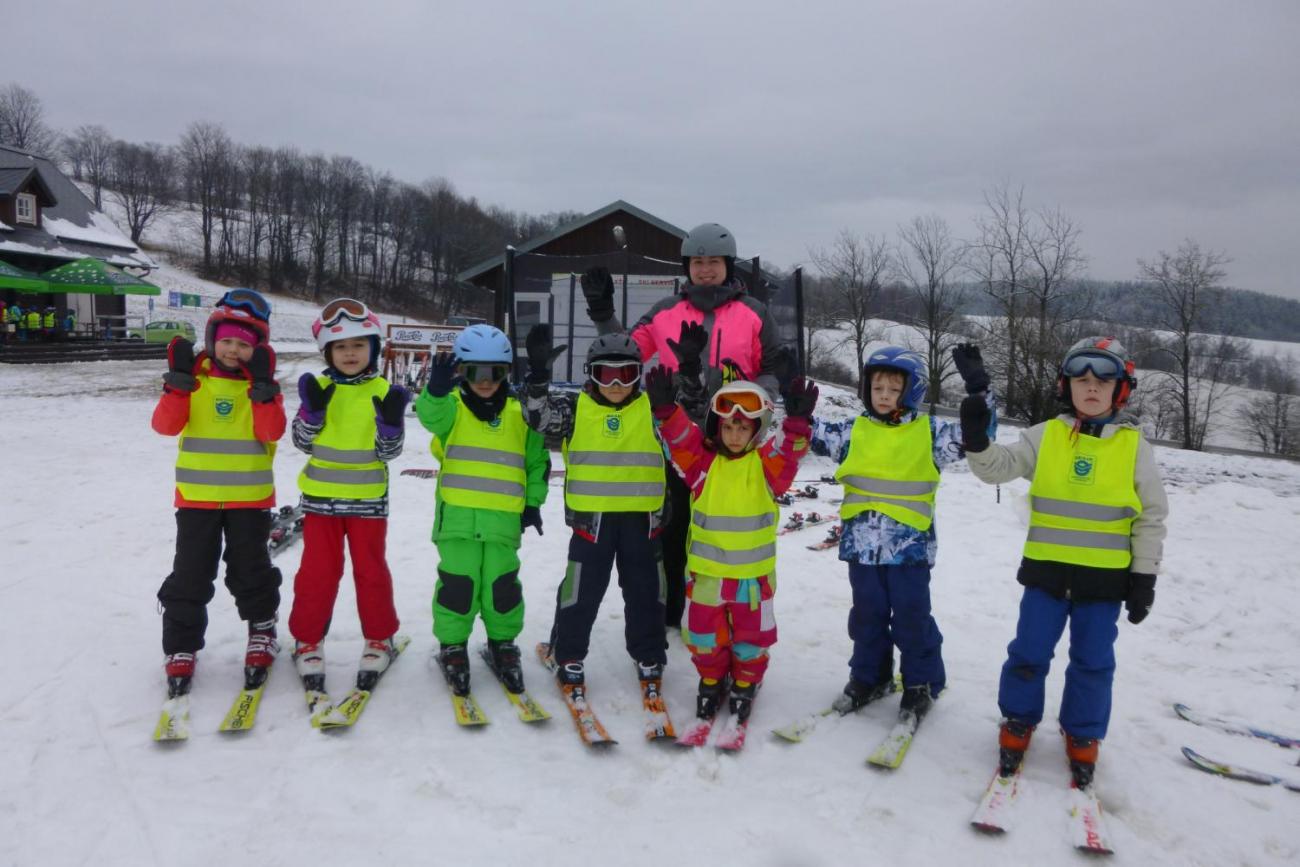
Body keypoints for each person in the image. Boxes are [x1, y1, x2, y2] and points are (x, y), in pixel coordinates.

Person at [960, 336, 1167, 788]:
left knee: (1093, 661)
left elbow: (1151, 516)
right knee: (1028, 653)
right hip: (1046, 576)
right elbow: (998, 467)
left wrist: (1144, 577)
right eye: (1081, 380)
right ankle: (1018, 719)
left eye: (1102, 381)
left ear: (1120, 391)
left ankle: (1083, 733)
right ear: (1065, 386)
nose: (1091, 389)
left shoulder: (1133, 447)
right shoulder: (1045, 435)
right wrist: (977, 440)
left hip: (1105, 583)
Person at [581, 223, 784, 629]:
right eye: (697, 262)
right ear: (686, 266)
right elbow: (627, 352)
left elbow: (773, 366)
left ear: (728, 265)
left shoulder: (754, 313)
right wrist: (604, 314)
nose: (705, 270)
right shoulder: (665, 311)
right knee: (673, 527)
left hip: (734, 439)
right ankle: (673, 609)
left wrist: (756, 400)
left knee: (726, 526)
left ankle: (729, 608)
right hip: (679, 438)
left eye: (712, 262)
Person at [808, 344, 996, 731]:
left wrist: (979, 390)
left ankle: (920, 683)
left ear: (910, 392)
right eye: (877, 388)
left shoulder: (929, 432)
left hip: (908, 549)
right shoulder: (852, 429)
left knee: (911, 617)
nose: (883, 396)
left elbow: (979, 432)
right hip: (861, 546)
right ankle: (869, 676)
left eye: (892, 390)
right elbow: (804, 432)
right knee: (866, 616)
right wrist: (793, 398)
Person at [646, 365, 818, 724]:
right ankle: (711, 679)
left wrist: (798, 423)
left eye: (743, 427)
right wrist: (666, 411)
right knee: (705, 638)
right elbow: (682, 440)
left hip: (752, 582)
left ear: (756, 430)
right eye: (728, 426)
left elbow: (790, 451)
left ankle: (744, 683)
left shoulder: (767, 467)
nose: (735, 434)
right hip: (707, 578)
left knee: (751, 640)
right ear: (717, 427)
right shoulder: (702, 466)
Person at [150, 290, 285, 694]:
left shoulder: (262, 386)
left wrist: (263, 392)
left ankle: (262, 629)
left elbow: (272, 432)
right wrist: (177, 388)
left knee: (251, 571)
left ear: (257, 349)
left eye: (244, 344)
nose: (233, 349)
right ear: (212, 339)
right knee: (191, 575)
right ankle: (181, 647)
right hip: (197, 501)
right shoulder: (194, 381)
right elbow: (165, 427)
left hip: (250, 500)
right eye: (226, 340)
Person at [522, 325, 669, 692]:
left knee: (645, 591)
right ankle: (568, 653)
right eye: (606, 374)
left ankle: (649, 654)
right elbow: (538, 419)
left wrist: (692, 377)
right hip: (591, 524)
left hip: (642, 520)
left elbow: (694, 422)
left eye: (626, 374)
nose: (616, 383)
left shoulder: (654, 408)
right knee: (580, 592)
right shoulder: (575, 407)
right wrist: (539, 377)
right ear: (591, 374)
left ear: (638, 376)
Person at [414, 324, 549, 696]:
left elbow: (537, 463)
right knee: (458, 586)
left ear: (507, 373)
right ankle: (453, 645)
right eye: (475, 372)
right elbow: (430, 416)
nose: (486, 382)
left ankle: (503, 643)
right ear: (462, 372)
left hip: (504, 524)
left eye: (496, 373)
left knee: (501, 588)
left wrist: (533, 505)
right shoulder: (453, 410)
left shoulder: (520, 414)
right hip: (457, 522)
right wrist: (436, 391)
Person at [288, 298, 408, 688]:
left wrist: (390, 428)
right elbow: (301, 442)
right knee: (317, 575)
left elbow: (388, 453)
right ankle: (307, 640)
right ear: (328, 352)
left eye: (359, 344)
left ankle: (379, 636)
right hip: (321, 502)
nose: (350, 353)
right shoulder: (317, 387)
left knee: (371, 573)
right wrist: (311, 414)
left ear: (373, 348)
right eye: (341, 346)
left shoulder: (383, 389)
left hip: (367, 503)